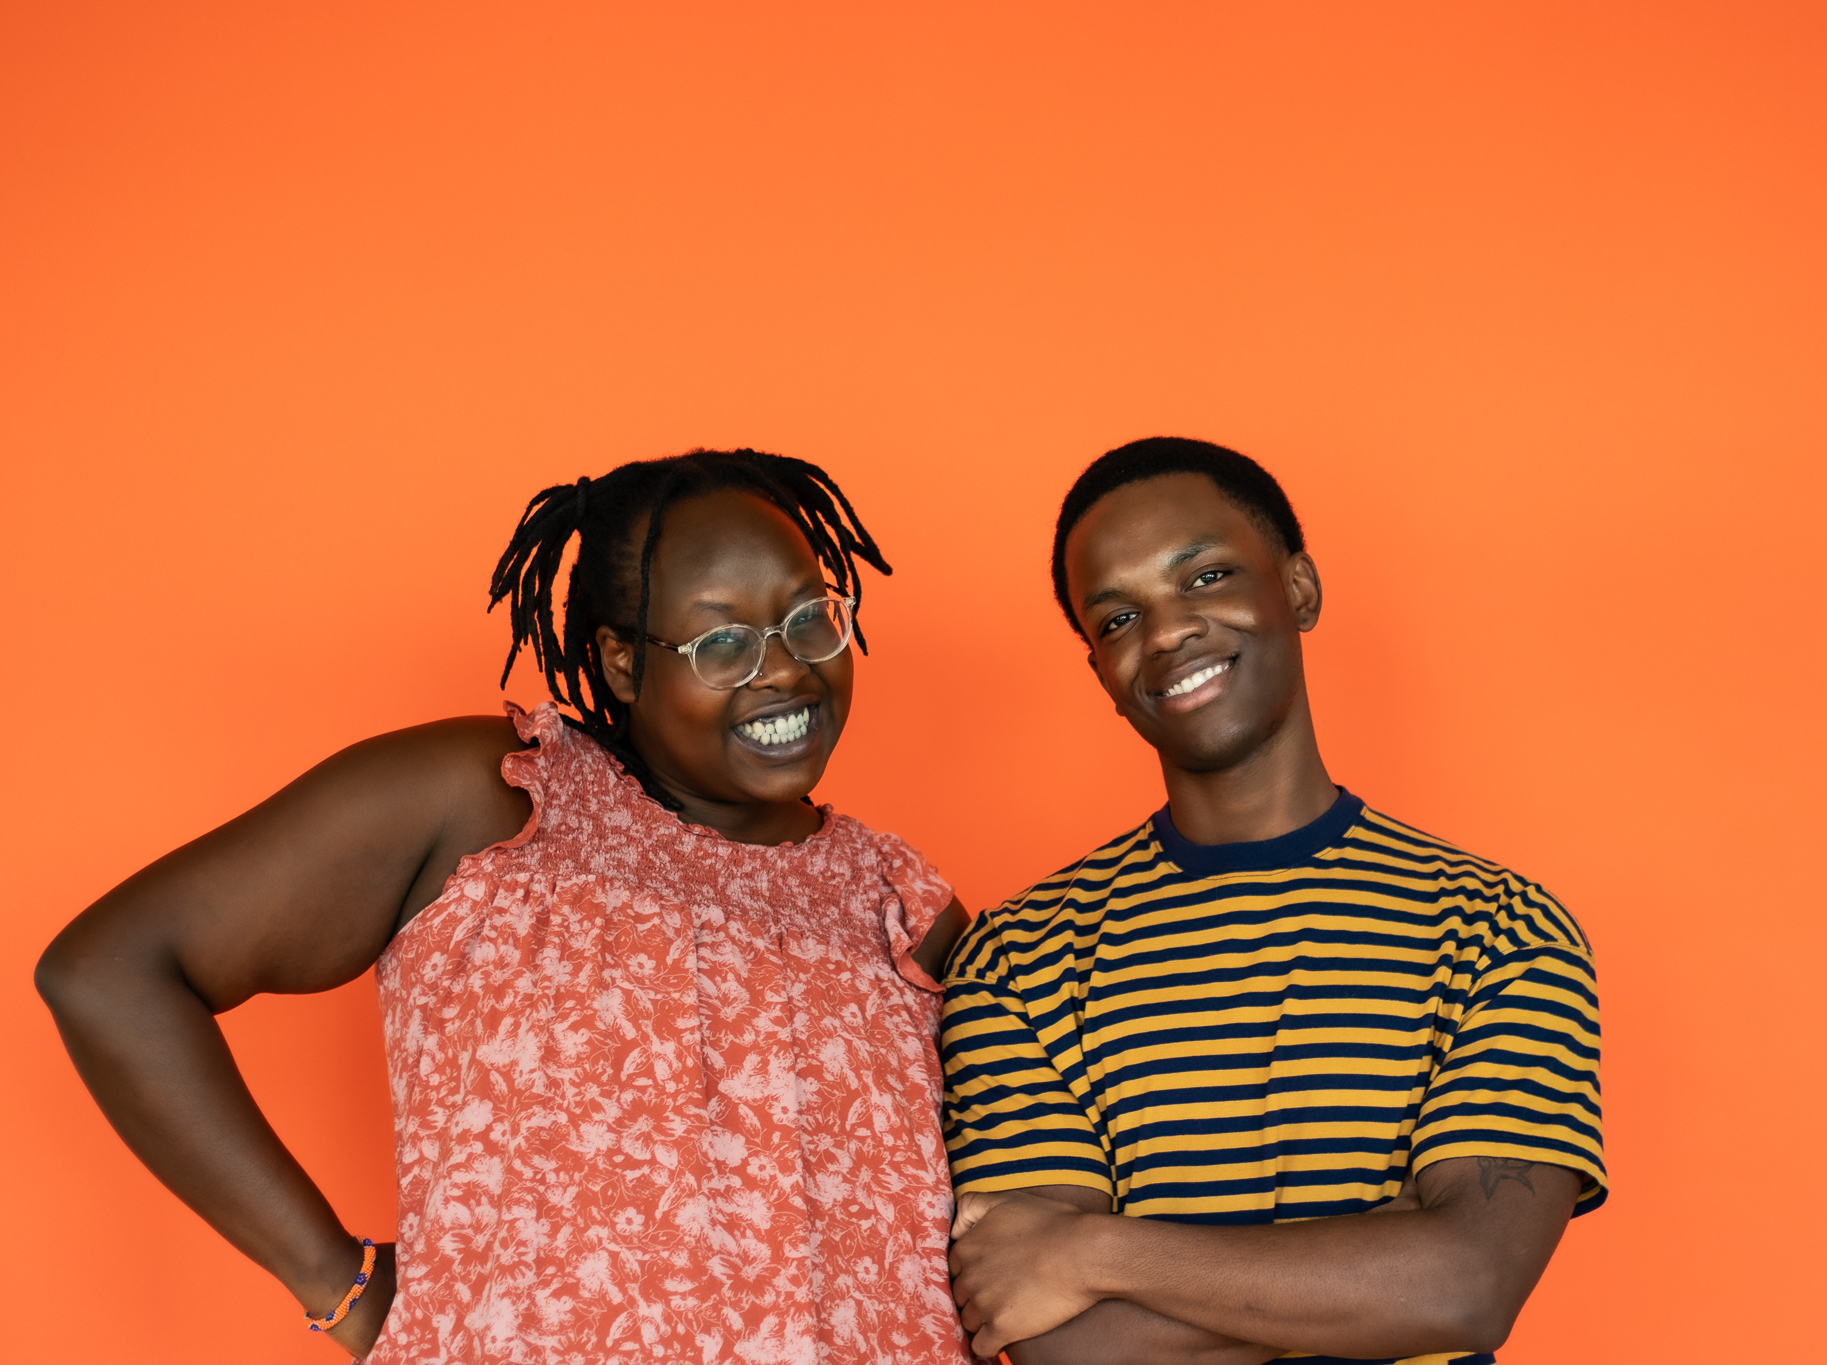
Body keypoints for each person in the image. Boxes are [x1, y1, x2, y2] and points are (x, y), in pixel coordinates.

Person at [36, 450, 975, 1365]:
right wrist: (335, 1278)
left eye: (808, 619)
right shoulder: (493, 806)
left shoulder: (906, 912)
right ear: (619, 661)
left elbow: (1010, 1206)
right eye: (721, 641)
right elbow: (107, 970)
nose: (785, 670)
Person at [940, 437, 1606, 1365]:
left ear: (1298, 588)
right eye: (1120, 616)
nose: (1166, 632)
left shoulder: (1501, 930)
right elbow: (1064, 1346)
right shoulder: (1018, 959)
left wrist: (1094, 1251)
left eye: (1206, 577)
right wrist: (1378, 1271)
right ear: (1100, 670)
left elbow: (1466, 1287)